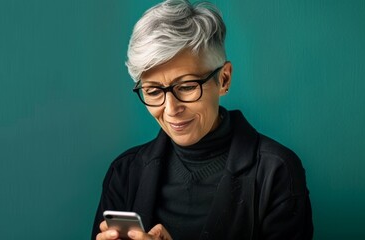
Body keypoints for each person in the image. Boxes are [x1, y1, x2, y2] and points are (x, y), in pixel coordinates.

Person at [92, 0, 313, 239]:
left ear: (224, 79)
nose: (170, 109)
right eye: (154, 91)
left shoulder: (277, 171)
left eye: (187, 87)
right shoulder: (124, 172)